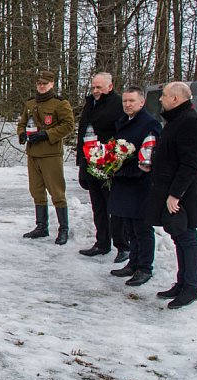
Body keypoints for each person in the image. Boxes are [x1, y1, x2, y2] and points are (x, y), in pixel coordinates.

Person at [142, 82, 197, 309]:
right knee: (178, 236)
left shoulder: (190, 123)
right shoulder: (176, 120)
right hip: (171, 190)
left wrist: (175, 195)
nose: (161, 99)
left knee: (187, 238)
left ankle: (191, 288)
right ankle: (182, 283)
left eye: (165, 95)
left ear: (177, 99)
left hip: (183, 195)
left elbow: (190, 164)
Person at [106, 86, 162, 287]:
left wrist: (133, 166)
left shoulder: (150, 124)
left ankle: (145, 267)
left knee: (142, 228)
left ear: (142, 102)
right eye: (125, 101)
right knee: (129, 226)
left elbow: (151, 153)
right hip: (123, 179)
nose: (127, 104)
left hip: (140, 181)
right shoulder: (123, 122)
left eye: (131, 101)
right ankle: (133, 262)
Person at [16, 70, 75, 245]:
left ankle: (63, 228)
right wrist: (21, 134)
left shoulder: (60, 104)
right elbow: (22, 123)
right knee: (36, 191)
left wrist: (47, 134)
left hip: (51, 153)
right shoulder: (30, 103)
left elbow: (68, 125)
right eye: (39, 83)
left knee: (57, 192)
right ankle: (41, 226)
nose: (41, 86)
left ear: (52, 84)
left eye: (45, 83)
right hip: (33, 153)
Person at [76, 73, 130, 260]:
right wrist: (81, 163)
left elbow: (123, 135)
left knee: (113, 206)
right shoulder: (90, 104)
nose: (96, 91)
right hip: (89, 162)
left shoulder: (117, 104)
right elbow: (82, 134)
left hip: (108, 164)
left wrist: (114, 159)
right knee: (98, 206)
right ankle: (102, 243)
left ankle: (123, 245)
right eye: (93, 87)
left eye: (99, 87)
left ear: (110, 86)